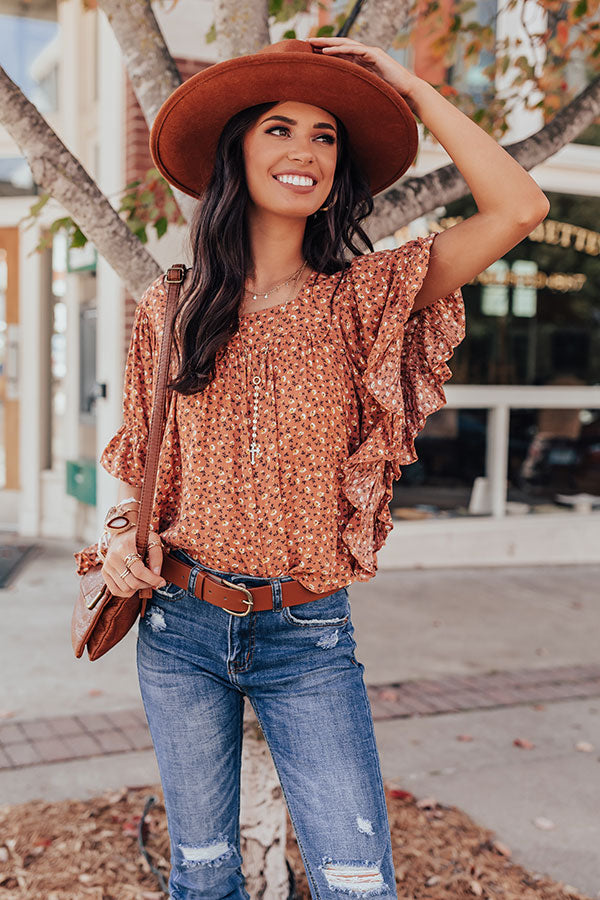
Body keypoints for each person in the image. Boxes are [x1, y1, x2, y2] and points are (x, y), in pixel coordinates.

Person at [74, 36, 549, 900]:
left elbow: (518, 207)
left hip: (307, 637)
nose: (305, 151)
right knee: (204, 873)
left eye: (326, 136)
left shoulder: (366, 300)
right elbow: (149, 478)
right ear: (237, 152)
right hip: (178, 628)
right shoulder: (172, 304)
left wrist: (410, 86)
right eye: (280, 129)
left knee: (356, 880)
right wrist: (116, 542)